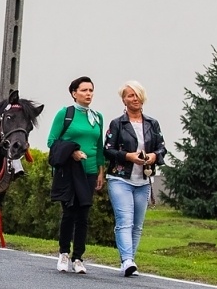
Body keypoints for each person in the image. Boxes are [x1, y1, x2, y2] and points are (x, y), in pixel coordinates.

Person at [104, 80, 166, 278]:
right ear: (124, 99)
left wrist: (154, 156)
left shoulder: (152, 123)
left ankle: (131, 258)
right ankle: (127, 260)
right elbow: (108, 150)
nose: (134, 98)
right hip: (120, 178)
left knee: (137, 224)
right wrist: (128, 156)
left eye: (137, 94)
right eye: (130, 95)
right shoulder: (117, 123)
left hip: (143, 180)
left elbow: (161, 147)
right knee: (124, 220)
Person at [46, 76, 105, 275]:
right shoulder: (65, 114)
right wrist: (72, 152)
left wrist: (100, 171)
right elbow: (52, 141)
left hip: (88, 172)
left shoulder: (97, 117)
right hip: (69, 171)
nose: (88, 94)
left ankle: (78, 257)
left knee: (83, 215)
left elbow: (99, 146)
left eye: (91, 90)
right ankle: (63, 252)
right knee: (69, 212)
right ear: (74, 93)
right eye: (84, 90)